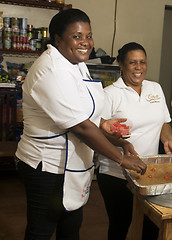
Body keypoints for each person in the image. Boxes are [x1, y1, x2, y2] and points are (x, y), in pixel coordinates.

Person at [15, 9, 146, 240]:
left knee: (71, 225)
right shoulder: (51, 70)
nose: (85, 42)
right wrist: (121, 158)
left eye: (88, 35)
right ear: (57, 39)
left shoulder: (75, 63)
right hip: (48, 165)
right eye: (76, 36)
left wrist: (111, 132)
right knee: (41, 230)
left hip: (72, 161)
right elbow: (82, 127)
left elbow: (85, 114)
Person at [96, 42, 172, 240]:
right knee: (120, 224)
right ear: (121, 65)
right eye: (132, 63)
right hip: (115, 172)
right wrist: (121, 143)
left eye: (142, 62)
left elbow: (164, 122)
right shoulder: (109, 94)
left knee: (151, 225)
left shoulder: (155, 88)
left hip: (147, 172)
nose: (138, 68)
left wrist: (168, 140)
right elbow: (99, 132)